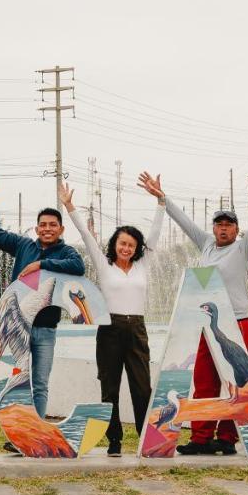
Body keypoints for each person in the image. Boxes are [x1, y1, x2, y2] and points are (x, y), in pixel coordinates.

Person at [138, 168, 248, 455]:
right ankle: (201, 437)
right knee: (204, 379)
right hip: (206, 325)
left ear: (236, 228)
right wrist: (162, 197)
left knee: (235, 380)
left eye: (229, 224)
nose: (223, 228)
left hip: (237, 323)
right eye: (219, 223)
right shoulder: (206, 243)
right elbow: (184, 222)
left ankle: (228, 438)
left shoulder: (244, 247)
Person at [59, 179, 164, 457]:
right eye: (122, 243)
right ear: (115, 245)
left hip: (137, 329)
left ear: (137, 248)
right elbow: (86, 236)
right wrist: (70, 206)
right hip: (110, 329)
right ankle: (114, 440)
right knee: (110, 387)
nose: (126, 248)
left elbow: (154, 235)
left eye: (131, 245)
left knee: (142, 387)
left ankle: (145, 438)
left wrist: (161, 203)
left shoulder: (143, 265)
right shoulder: (104, 266)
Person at [0, 171, 86, 451]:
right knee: (19, 380)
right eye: (43, 225)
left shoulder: (66, 252)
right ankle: (20, 436)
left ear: (61, 229)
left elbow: (79, 268)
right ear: (37, 227)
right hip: (19, 330)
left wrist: (42, 265)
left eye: (53, 225)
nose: (47, 229)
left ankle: (35, 436)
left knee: (39, 382)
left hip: (46, 330)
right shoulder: (23, 245)